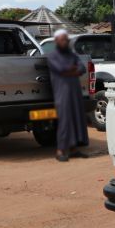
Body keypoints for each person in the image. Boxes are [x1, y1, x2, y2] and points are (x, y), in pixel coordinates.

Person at [46, 29, 89, 162]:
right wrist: (73, 69)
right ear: (57, 41)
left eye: (67, 39)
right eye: (63, 39)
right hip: (62, 92)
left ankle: (74, 149)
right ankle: (60, 151)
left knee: (77, 119)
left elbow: (82, 68)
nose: (66, 42)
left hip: (75, 92)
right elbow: (60, 69)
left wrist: (70, 70)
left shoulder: (72, 54)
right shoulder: (52, 56)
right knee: (65, 121)